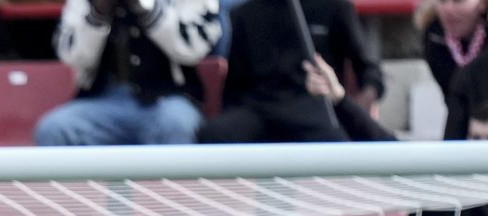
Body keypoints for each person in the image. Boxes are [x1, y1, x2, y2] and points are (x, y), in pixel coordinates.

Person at [36, 0, 220, 147]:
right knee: (54, 129)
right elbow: (72, 58)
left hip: (168, 100)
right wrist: (99, 12)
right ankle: (79, 195)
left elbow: (193, 49)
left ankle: (173, 194)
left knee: (175, 123)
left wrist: (145, 7)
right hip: (104, 100)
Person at [196, 0, 381, 144]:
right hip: (259, 109)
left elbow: (369, 70)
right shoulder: (245, 13)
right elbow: (234, 88)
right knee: (213, 134)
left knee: (337, 145)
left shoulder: (334, 7)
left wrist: (355, 113)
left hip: (313, 107)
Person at [428, 0, 487, 138]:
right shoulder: (434, 39)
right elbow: (455, 108)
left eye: (458, 0)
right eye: (442, 1)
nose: (448, 9)